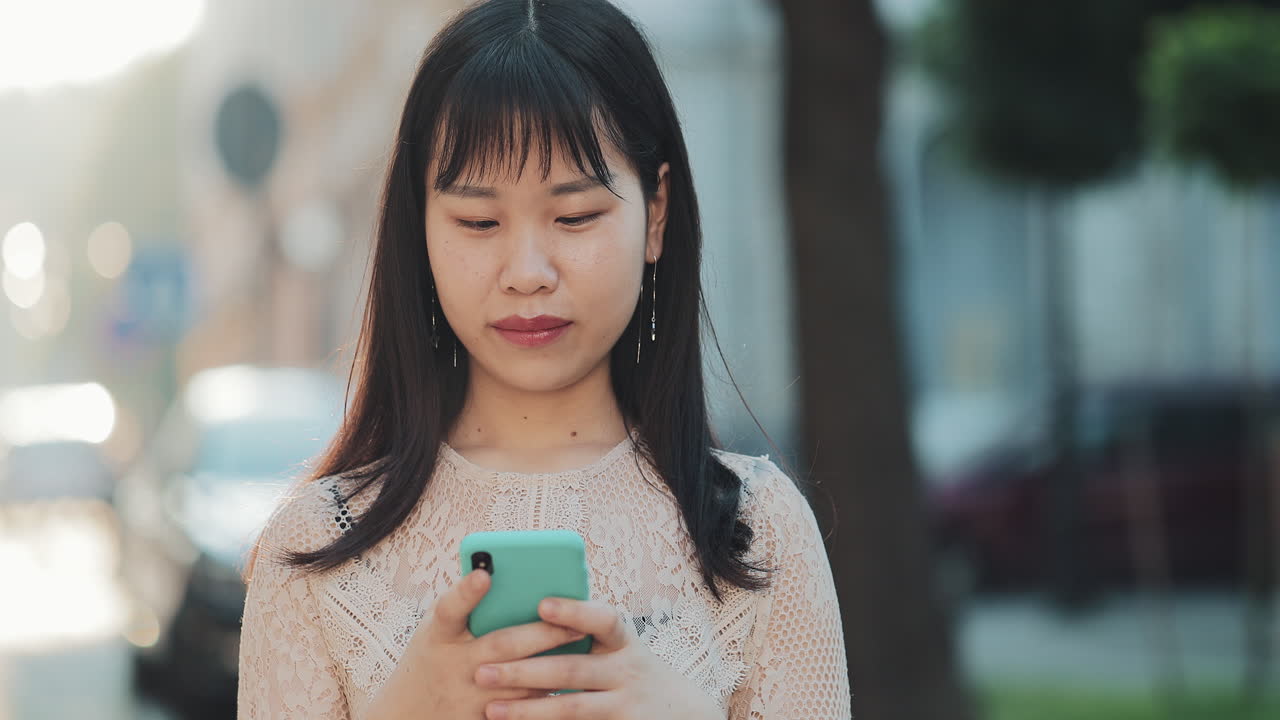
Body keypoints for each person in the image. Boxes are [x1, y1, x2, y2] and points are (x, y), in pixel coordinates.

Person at [235, 0, 850, 718]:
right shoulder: (312, 550)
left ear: (655, 214)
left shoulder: (761, 534)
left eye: (575, 216)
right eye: (479, 221)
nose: (527, 272)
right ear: (420, 228)